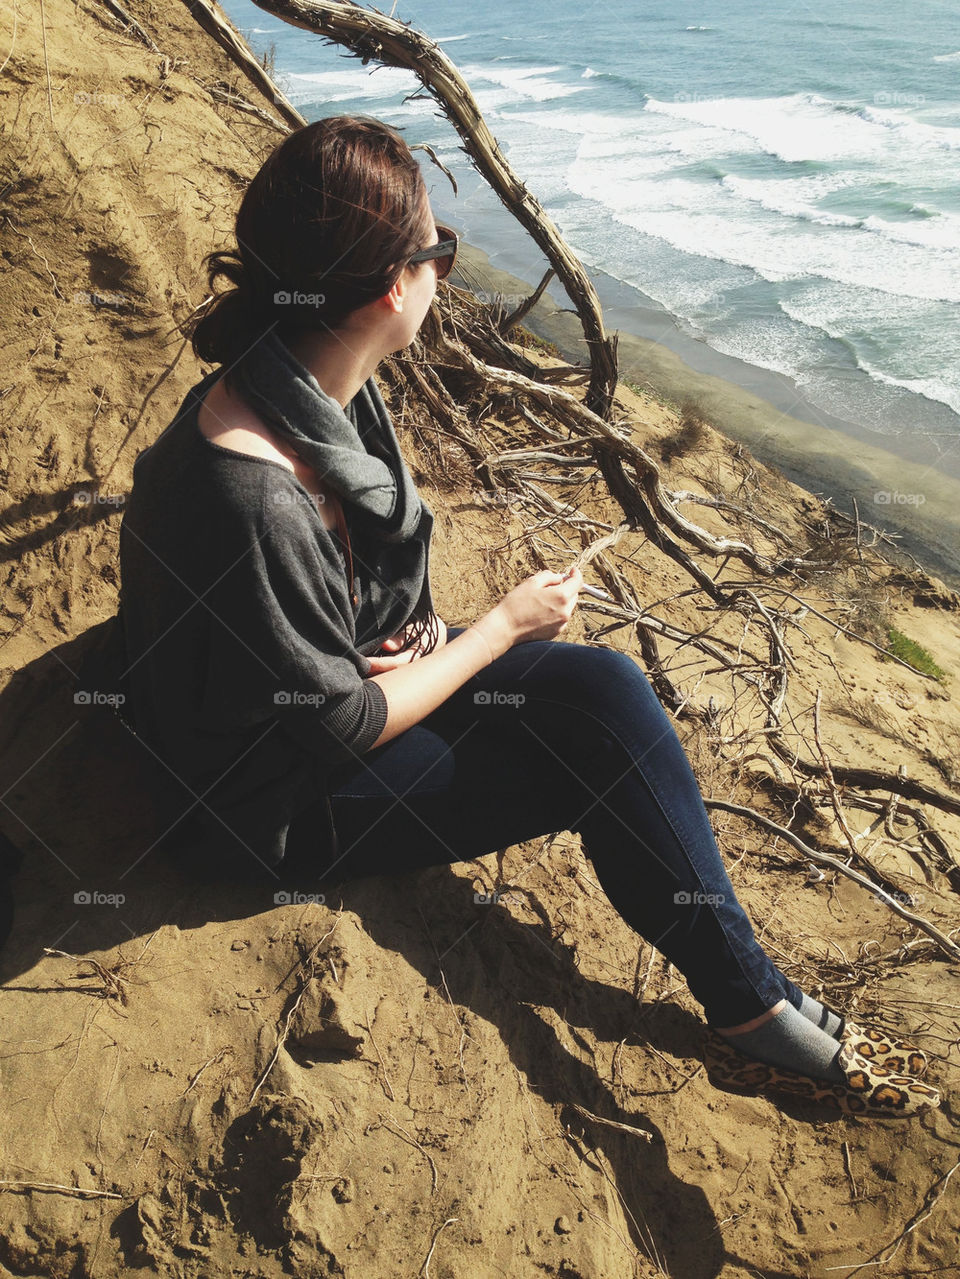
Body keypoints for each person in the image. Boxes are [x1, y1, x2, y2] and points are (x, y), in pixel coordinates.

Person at [93, 115, 937, 1117]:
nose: (446, 269)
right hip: (258, 813)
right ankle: (752, 1014)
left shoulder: (307, 379)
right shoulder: (258, 489)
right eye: (436, 251)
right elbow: (337, 725)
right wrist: (496, 629)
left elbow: (317, 618)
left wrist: (387, 647)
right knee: (590, 762)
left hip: (318, 703)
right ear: (389, 289)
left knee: (606, 687)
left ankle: (746, 998)